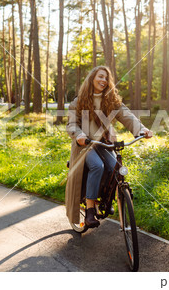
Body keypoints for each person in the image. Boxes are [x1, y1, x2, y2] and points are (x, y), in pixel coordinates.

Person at [66, 66, 153, 228]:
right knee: (97, 165)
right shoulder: (78, 102)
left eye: (106, 78)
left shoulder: (110, 100)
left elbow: (126, 114)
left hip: (104, 142)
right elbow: (72, 124)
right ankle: (90, 209)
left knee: (115, 167)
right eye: (100, 76)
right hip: (85, 145)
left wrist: (141, 129)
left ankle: (106, 198)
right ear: (92, 79)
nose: (103, 80)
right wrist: (79, 136)